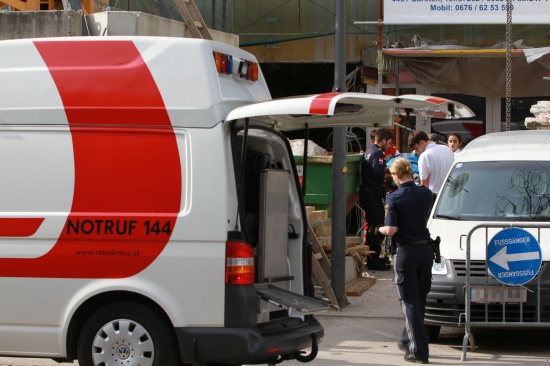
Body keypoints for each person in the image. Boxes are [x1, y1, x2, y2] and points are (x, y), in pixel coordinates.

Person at [377, 158, 434, 364]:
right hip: (425, 250)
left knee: (408, 302)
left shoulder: (394, 198)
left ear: (396, 175)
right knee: (419, 299)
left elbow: (391, 230)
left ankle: (418, 350)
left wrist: (378, 229)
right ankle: (406, 339)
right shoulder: (426, 194)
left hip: (406, 252)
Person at [360, 128, 394, 271]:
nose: (389, 146)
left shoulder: (368, 152)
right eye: (388, 143)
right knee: (377, 226)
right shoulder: (378, 153)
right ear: (384, 140)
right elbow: (376, 172)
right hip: (373, 195)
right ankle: (374, 259)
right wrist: (388, 173)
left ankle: (373, 257)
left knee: (372, 226)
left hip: (368, 194)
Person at [408, 130, 454, 201]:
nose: (416, 151)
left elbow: (424, 184)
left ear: (421, 142)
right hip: (452, 194)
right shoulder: (447, 149)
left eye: (416, 148)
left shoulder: (424, 156)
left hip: (435, 197)